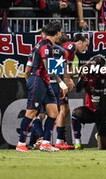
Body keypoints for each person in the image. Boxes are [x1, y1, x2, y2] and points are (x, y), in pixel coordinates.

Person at [16, 21, 68, 152]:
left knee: (53, 112)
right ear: (57, 33)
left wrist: (29, 81)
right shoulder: (46, 46)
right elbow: (49, 69)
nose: (60, 35)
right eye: (60, 32)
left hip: (43, 81)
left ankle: (45, 143)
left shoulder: (39, 46)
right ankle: (21, 143)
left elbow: (27, 70)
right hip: (39, 80)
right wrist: (61, 83)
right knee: (32, 112)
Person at [54, 33, 89, 150]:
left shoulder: (72, 51)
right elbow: (61, 64)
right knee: (62, 109)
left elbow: (66, 67)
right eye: (86, 45)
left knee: (63, 109)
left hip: (58, 79)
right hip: (57, 80)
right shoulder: (70, 47)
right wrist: (67, 79)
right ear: (79, 42)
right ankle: (58, 141)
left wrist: (81, 69)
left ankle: (59, 140)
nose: (86, 48)